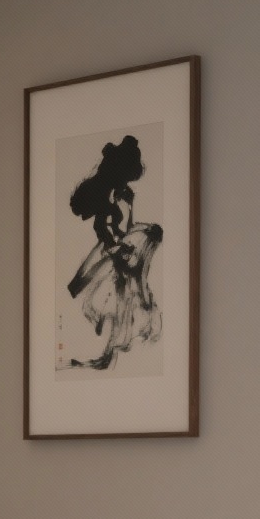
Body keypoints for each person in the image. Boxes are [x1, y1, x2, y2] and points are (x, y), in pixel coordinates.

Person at [66, 134, 162, 370]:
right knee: (111, 301)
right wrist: (118, 245)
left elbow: (127, 226)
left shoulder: (125, 194)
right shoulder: (108, 197)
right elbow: (105, 230)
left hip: (121, 252)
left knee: (124, 302)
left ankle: (107, 354)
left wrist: (140, 228)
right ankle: (101, 352)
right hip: (110, 253)